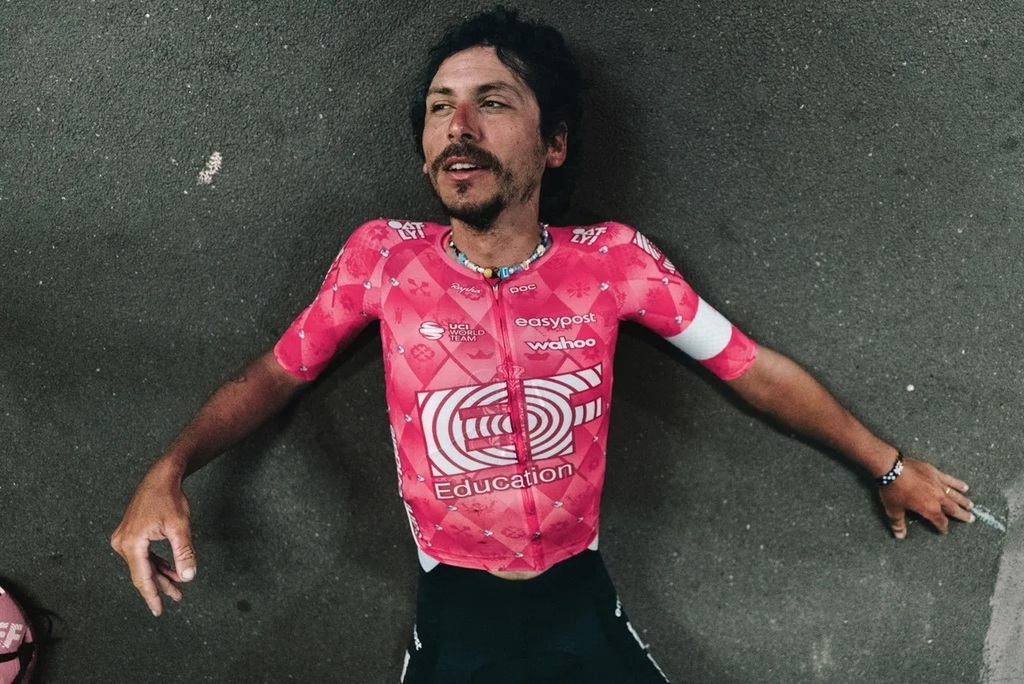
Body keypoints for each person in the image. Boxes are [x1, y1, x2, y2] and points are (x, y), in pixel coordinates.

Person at [111, 8, 976, 683]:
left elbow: (750, 367)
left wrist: (888, 466)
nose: (459, 125)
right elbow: (274, 375)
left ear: (555, 143)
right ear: (424, 150)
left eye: (491, 103)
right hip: (454, 611)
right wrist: (169, 468)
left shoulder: (613, 262)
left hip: (577, 596)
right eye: (440, 109)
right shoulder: (382, 259)